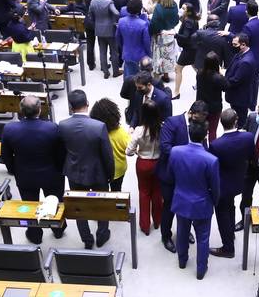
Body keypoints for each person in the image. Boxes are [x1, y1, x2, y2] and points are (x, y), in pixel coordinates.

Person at [2, 96, 66, 244]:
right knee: (54, 202)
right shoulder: (52, 128)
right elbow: (61, 153)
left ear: (21, 110)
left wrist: (13, 170)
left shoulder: (10, 129)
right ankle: (58, 229)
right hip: (51, 174)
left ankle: (35, 234)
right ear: (39, 109)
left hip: (25, 175)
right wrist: (60, 170)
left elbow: (6, 155)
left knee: (29, 205)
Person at [59, 90, 115, 249]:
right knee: (103, 205)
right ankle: (102, 235)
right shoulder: (99, 126)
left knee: (78, 207)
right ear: (87, 104)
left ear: (70, 107)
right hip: (98, 174)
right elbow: (107, 155)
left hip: (74, 172)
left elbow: (62, 150)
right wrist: (109, 175)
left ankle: (87, 239)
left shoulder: (63, 125)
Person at [164, 121, 219, 279]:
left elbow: (170, 175)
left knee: (182, 232)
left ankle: (182, 261)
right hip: (202, 204)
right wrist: (214, 202)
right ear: (206, 135)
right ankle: (201, 270)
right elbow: (215, 187)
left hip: (181, 201)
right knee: (203, 238)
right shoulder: (211, 160)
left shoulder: (175, 152)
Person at [158, 101, 209, 253]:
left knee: (186, 206)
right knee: (169, 207)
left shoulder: (199, 124)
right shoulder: (172, 122)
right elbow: (165, 147)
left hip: (190, 177)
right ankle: (166, 236)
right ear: (192, 113)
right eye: (199, 118)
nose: (201, 123)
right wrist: (188, 158)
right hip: (171, 175)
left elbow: (203, 146)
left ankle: (184, 232)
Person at [207, 109, 255, 258]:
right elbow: (251, 156)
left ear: (221, 123)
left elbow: (213, 167)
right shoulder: (248, 137)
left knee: (222, 213)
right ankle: (230, 234)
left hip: (222, 184)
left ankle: (228, 247)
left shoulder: (216, 145)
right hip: (239, 180)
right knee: (231, 206)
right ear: (236, 121)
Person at [127, 100, 164, 235]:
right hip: (158, 163)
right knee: (157, 192)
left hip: (143, 163)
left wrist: (137, 152)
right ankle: (158, 221)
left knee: (144, 193)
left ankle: (145, 225)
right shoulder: (163, 128)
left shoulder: (139, 130)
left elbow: (128, 151)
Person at [90, 98, 129, 191]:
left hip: (101, 170)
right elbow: (129, 149)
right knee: (117, 191)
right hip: (119, 169)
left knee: (102, 194)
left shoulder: (95, 132)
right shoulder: (121, 133)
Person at [88, 0, 121, 78]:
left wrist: (96, 22)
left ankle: (105, 72)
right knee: (114, 51)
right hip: (110, 29)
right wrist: (115, 21)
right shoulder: (109, 2)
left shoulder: (93, 2)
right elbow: (116, 13)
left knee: (102, 51)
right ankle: (115, 72)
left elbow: (90, 15)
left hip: (99, 29)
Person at [224, 32, 259, 122]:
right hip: (237, 96)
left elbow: (236, 80)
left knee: (240, 120)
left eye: (235, 44)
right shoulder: (241, 53)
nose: (233, 46)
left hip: (240, 98)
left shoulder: (246, 62)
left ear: (243, 45)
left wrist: (222, 82)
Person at [116, 0, 152, 77]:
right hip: (140, 55)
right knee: (139, 77)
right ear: (139, 10)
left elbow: (118, 37)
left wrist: (123, 47)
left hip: (126, 52)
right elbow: (146, 42)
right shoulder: (143, 24)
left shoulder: (121, 21)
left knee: (128, 75)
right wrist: (149, 54)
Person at [150, 0, 180, 83]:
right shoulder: (175, 5)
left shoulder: (158, 7)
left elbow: (154, 23)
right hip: (170, 34)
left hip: (160, 35)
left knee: (158, 55)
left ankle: (157, 75)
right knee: (168, 56)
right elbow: (176, 20)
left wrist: (152, 32)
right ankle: (166, 76)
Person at [196, 52, 228, 140]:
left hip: (201, 106)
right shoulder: (218, 78)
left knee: (202, 129)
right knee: (212, 130)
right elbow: (226, 87)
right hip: (214, 108)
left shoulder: (199, 73)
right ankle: (212, 149)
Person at [173, 4, 200, 100]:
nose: (181, 9)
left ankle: (176, 93)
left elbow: (185, 36)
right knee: (195, 67)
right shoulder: (193, 19)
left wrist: (175, 35)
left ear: (188, 11)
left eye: (184, 8)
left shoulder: (188, 21)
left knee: (178, 69)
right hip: (193, 48)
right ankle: (201, 83)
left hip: (189, 49)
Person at [241, 1, 259, 81]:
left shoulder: (247, 26)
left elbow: (244, 42)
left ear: (247, 12)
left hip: (250, 57)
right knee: (255, 80)